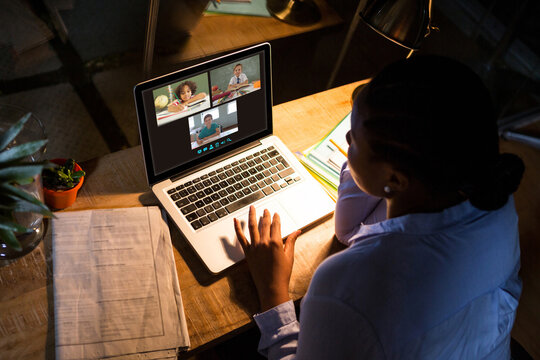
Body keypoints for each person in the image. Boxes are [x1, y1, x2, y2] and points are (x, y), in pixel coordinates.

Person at [233, 55, 525, 359]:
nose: (346, 138)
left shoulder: (347, 288)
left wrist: (273, 292)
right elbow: (348, 230)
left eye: (354, 140)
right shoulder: (494, 201)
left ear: (396, 179)